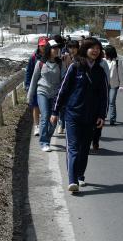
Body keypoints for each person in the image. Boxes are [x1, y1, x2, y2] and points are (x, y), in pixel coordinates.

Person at [50, 37, 108, 193]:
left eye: (98, 48)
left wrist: (102, 115)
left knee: (84, 149)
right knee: (73, 148)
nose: (95, 51)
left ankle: (80, 174)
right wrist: (55, 111)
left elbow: (104, 96)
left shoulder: (100, 71)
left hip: (91, 117)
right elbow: (63, 90)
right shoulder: (75, 67)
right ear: (85, 49)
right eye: (92, 48)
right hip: (73, 115)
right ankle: (72, 180)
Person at [27, 39, 62, 152]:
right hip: (42, 92)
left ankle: (47, 137)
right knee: (45, 115)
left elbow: (64, 79)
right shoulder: (40, 63)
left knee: (53, 119)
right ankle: (44, 142)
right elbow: (34, 80)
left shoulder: (60, 63)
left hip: (55, 94)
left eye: (57, 48)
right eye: (54, 48)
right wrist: (30, 95)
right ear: (48, 49)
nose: (56, 50)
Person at [25, 36, 48, 136]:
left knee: (45, 108)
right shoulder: (34, 57)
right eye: (41, 45)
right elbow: (28, 72)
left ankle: (44, 125)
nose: (43, 47)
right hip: (35, 85)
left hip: (47, 86)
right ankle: (37, 126)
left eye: (45, 46)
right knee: (36, 106)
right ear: (38, 46)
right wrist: (27, 85)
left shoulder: (51, 57)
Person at [57, 40, 80, 134]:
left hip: (76, 86)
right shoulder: (64, 58)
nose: (72, 50)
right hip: (65, 85)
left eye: (74, 47)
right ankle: (61, 125)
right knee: (62, 107)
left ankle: (73, 126)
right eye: (70, 47)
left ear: (78, 48)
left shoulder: (80, 59)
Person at [104, 45, 123, 125]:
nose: (104, 54)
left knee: (111, 101)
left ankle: (112, 119)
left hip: (114, 85)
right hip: (104, 85)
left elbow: (120, 74)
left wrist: (121, 85)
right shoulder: (103, 61)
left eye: (105, 53)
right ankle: (103, 116)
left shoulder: (117, 61)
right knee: (105, 101)